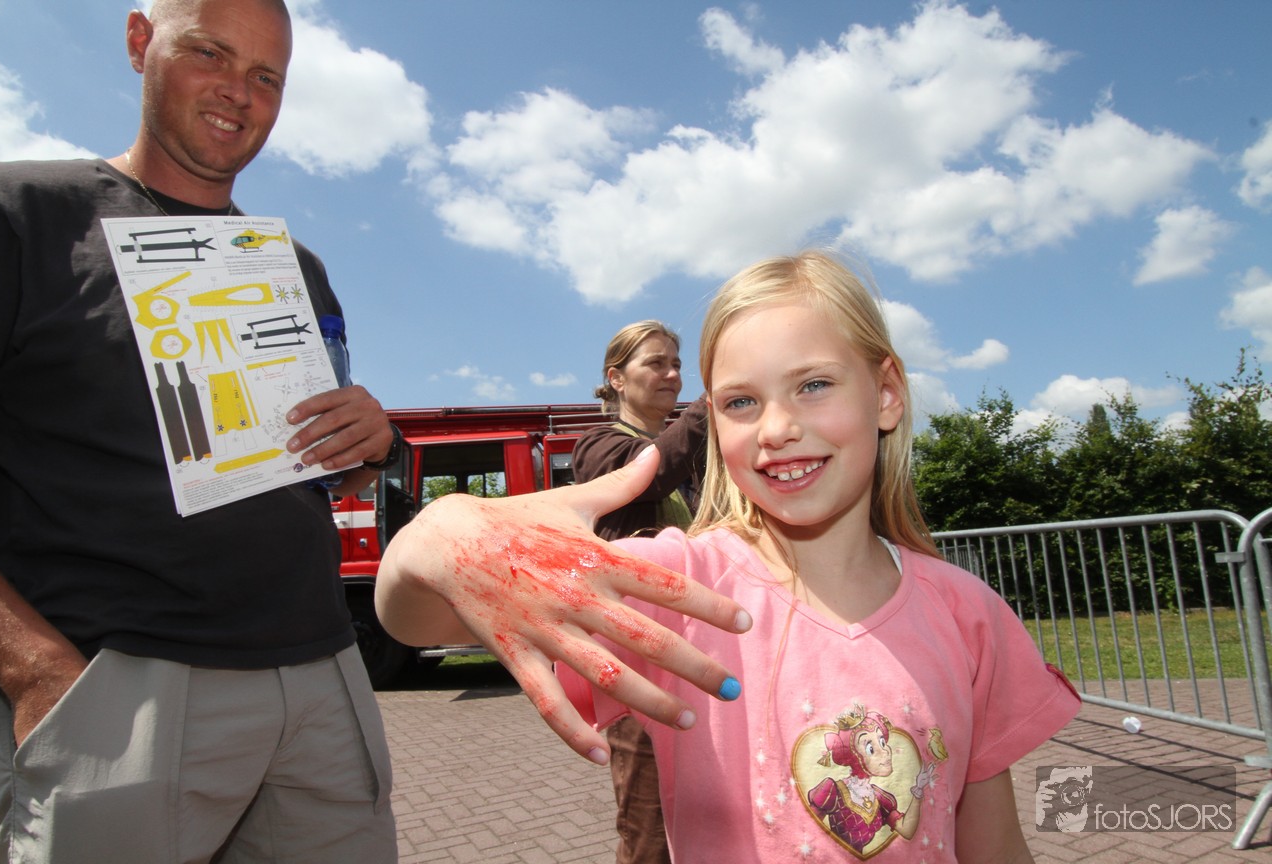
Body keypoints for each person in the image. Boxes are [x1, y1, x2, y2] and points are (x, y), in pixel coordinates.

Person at [378, 251, 1082, 861]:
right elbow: (412, 620)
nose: (777, 428)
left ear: (887, 394)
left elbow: (998, 846)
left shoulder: (969, 615)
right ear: (711, 421)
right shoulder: (678, 586)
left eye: (813, 385)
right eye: (741, 402)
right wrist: (442, 532)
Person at [0, 1, 401, 860]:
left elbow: (323, 471)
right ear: (141, 43)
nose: (239, 92)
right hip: (117, 685)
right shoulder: (13, 213)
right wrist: (31, 668)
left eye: (267, 76)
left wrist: (370, 441)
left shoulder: (294, 266)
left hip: (320, 678)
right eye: (210, 53)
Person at [573, 321, 708, 864]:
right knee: (649, 825)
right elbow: (645, 475)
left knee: (707, 808)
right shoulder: (599, 446)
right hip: (637, 659)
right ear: (616, 378)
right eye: (656, 363)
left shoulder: (690, 456)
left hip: (698, 653)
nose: (672, 374)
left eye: (677, 364)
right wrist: (714, 402)